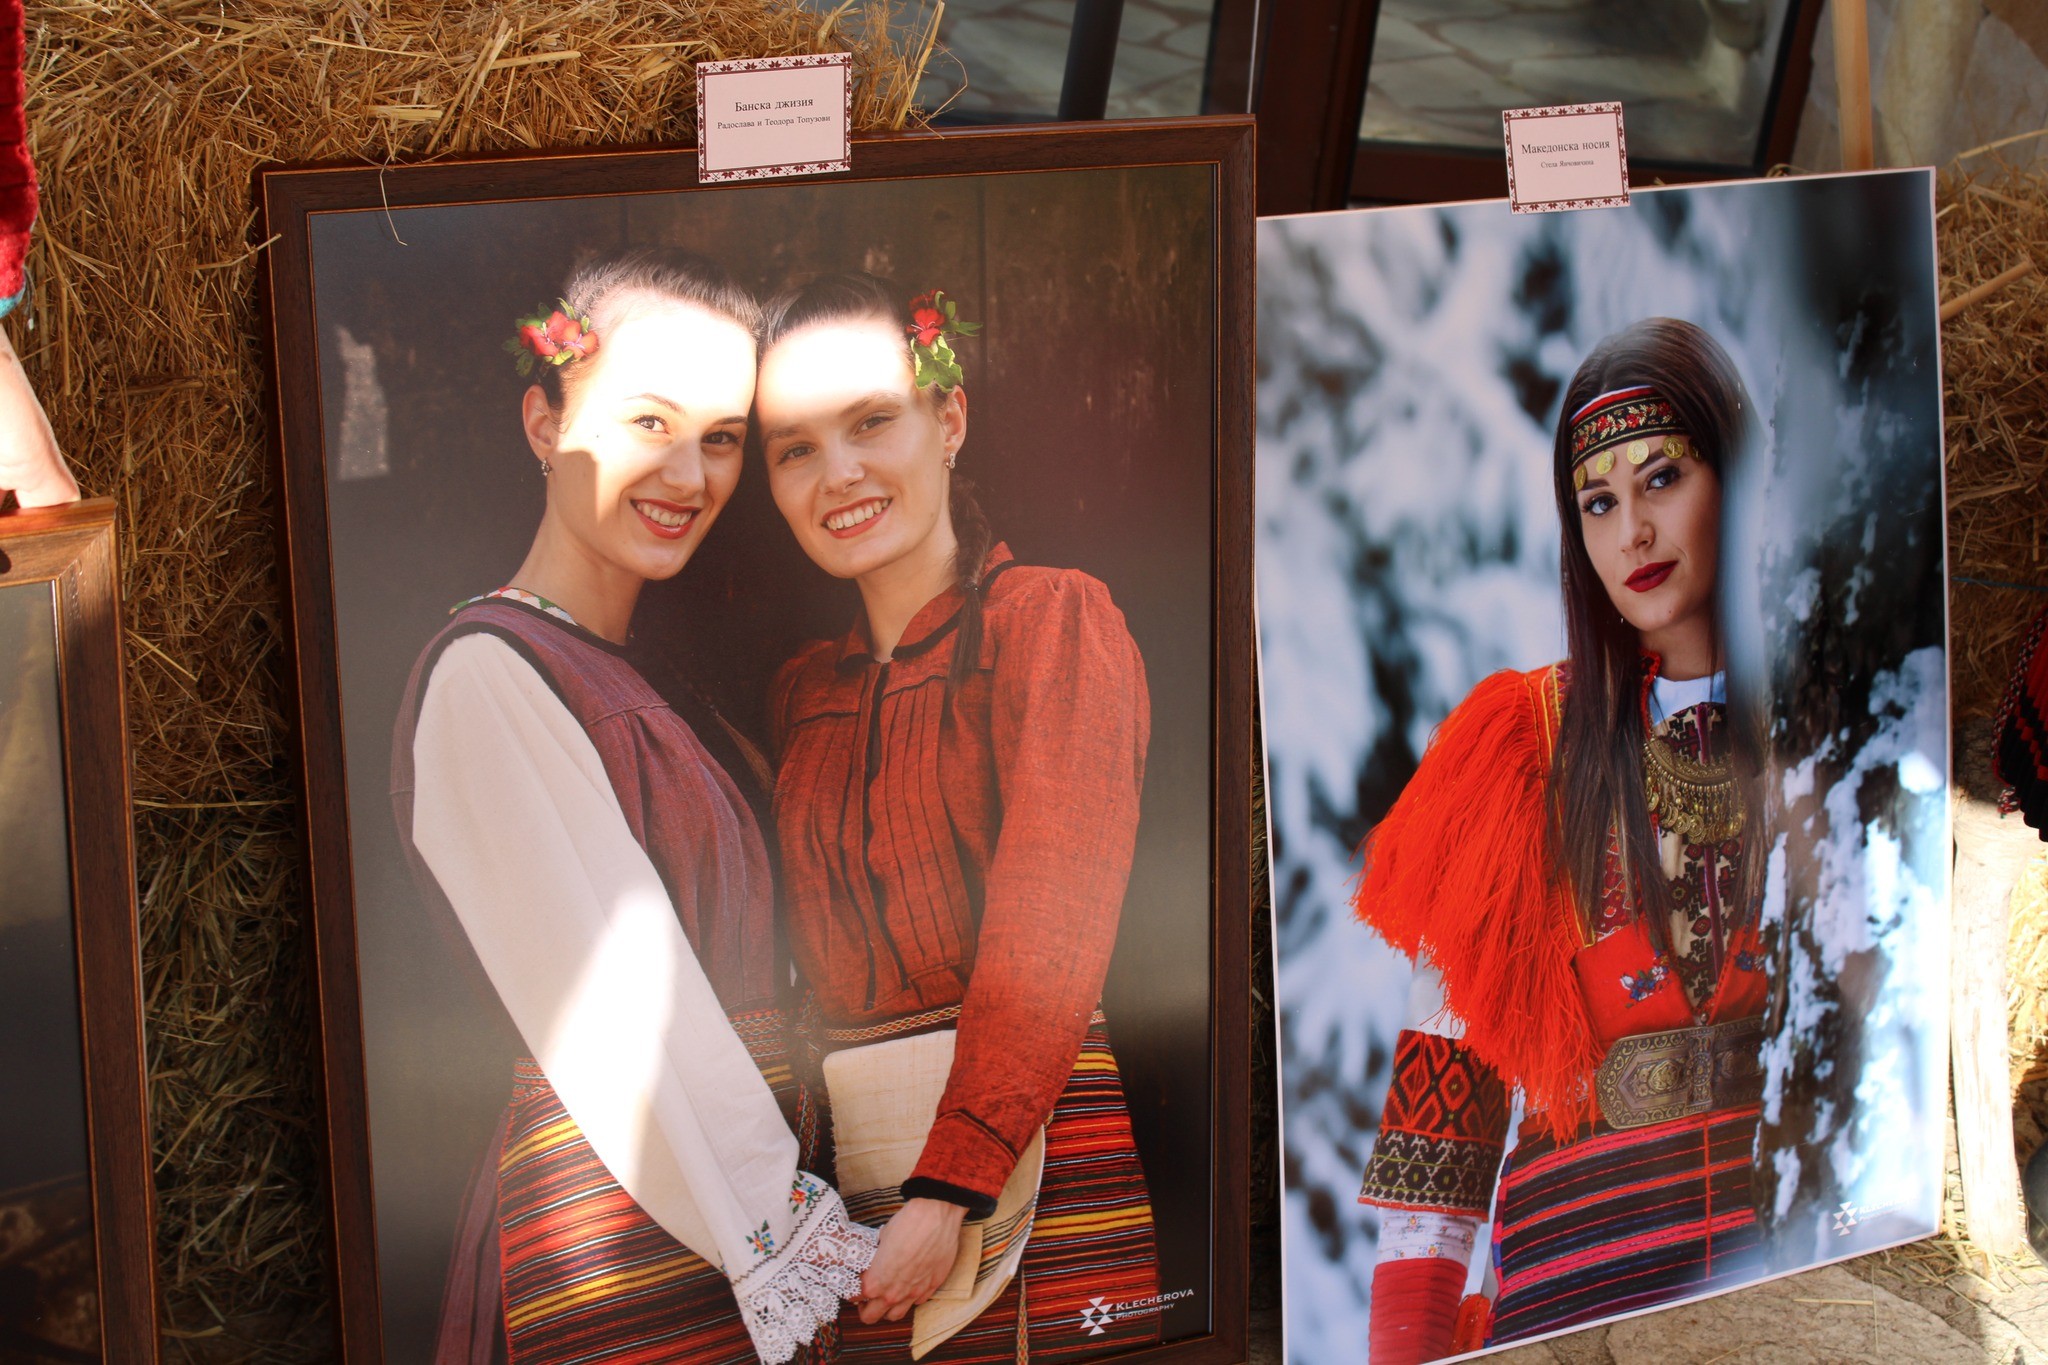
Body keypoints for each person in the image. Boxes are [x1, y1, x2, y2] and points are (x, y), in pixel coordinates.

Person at [390, 250, 873, 1365]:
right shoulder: (486, 674)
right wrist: (795, 1235)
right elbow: (615, 1018)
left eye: (721, 438)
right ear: (544, 421)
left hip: (727, 1213)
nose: (689, 475)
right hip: (626, 1229)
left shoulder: (646, 670)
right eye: (648, 421)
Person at [753, 273, 1162, 1361]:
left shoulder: (1052, 621)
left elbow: (1050, 921)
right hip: (857, 1206)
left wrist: (949, 1188)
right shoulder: (802, 690)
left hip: (1026, 1172)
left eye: (870, 422)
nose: (838, 474)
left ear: (949, 419)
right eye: (795, 449)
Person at [1352, 318, 1770, 1362]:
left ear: (1738, 478)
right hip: (1571, 1299)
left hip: (1788, 1275)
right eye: (1598, 503)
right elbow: (1444, 1102)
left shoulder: (1831, 722)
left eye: (1662, 478)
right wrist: (1405, 1342)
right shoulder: (1519, 746)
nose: (1633, 531)